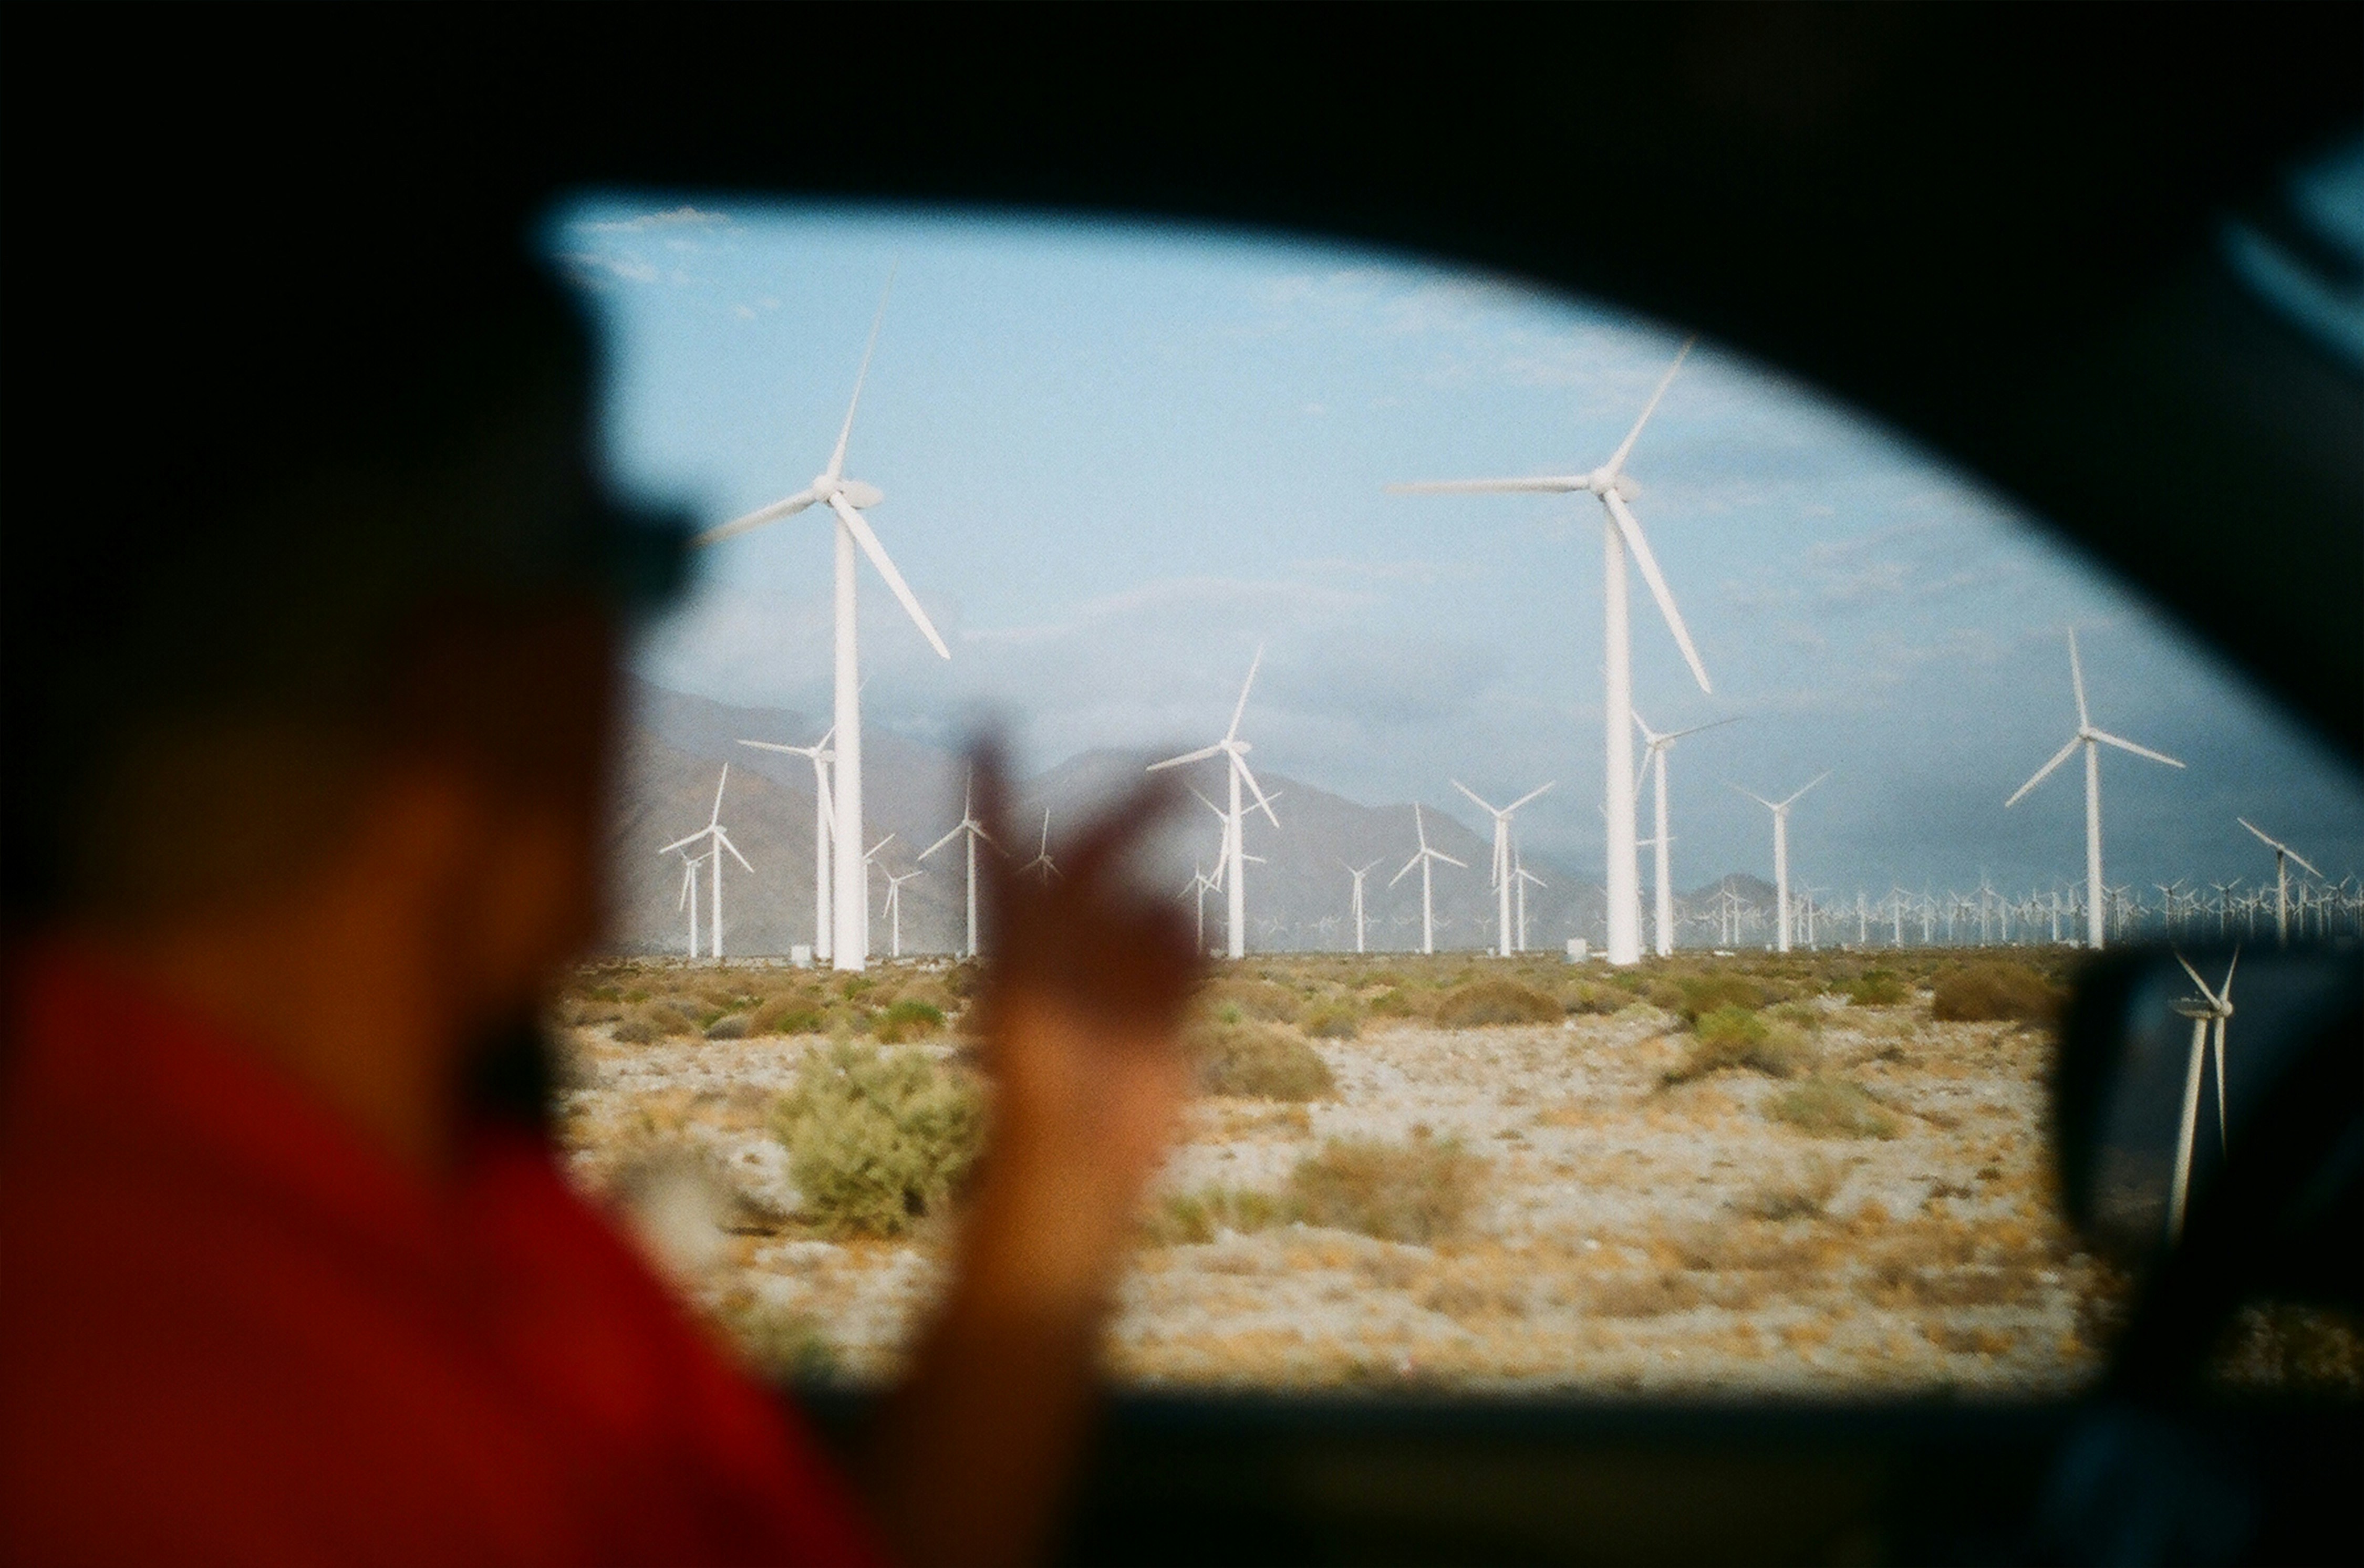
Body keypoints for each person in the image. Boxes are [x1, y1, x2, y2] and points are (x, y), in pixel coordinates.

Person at [0, 188, 1203, 1567]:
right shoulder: (164, 1415)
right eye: (632, 561)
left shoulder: (449, 1217)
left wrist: (1067, 1148)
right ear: (466, 682)